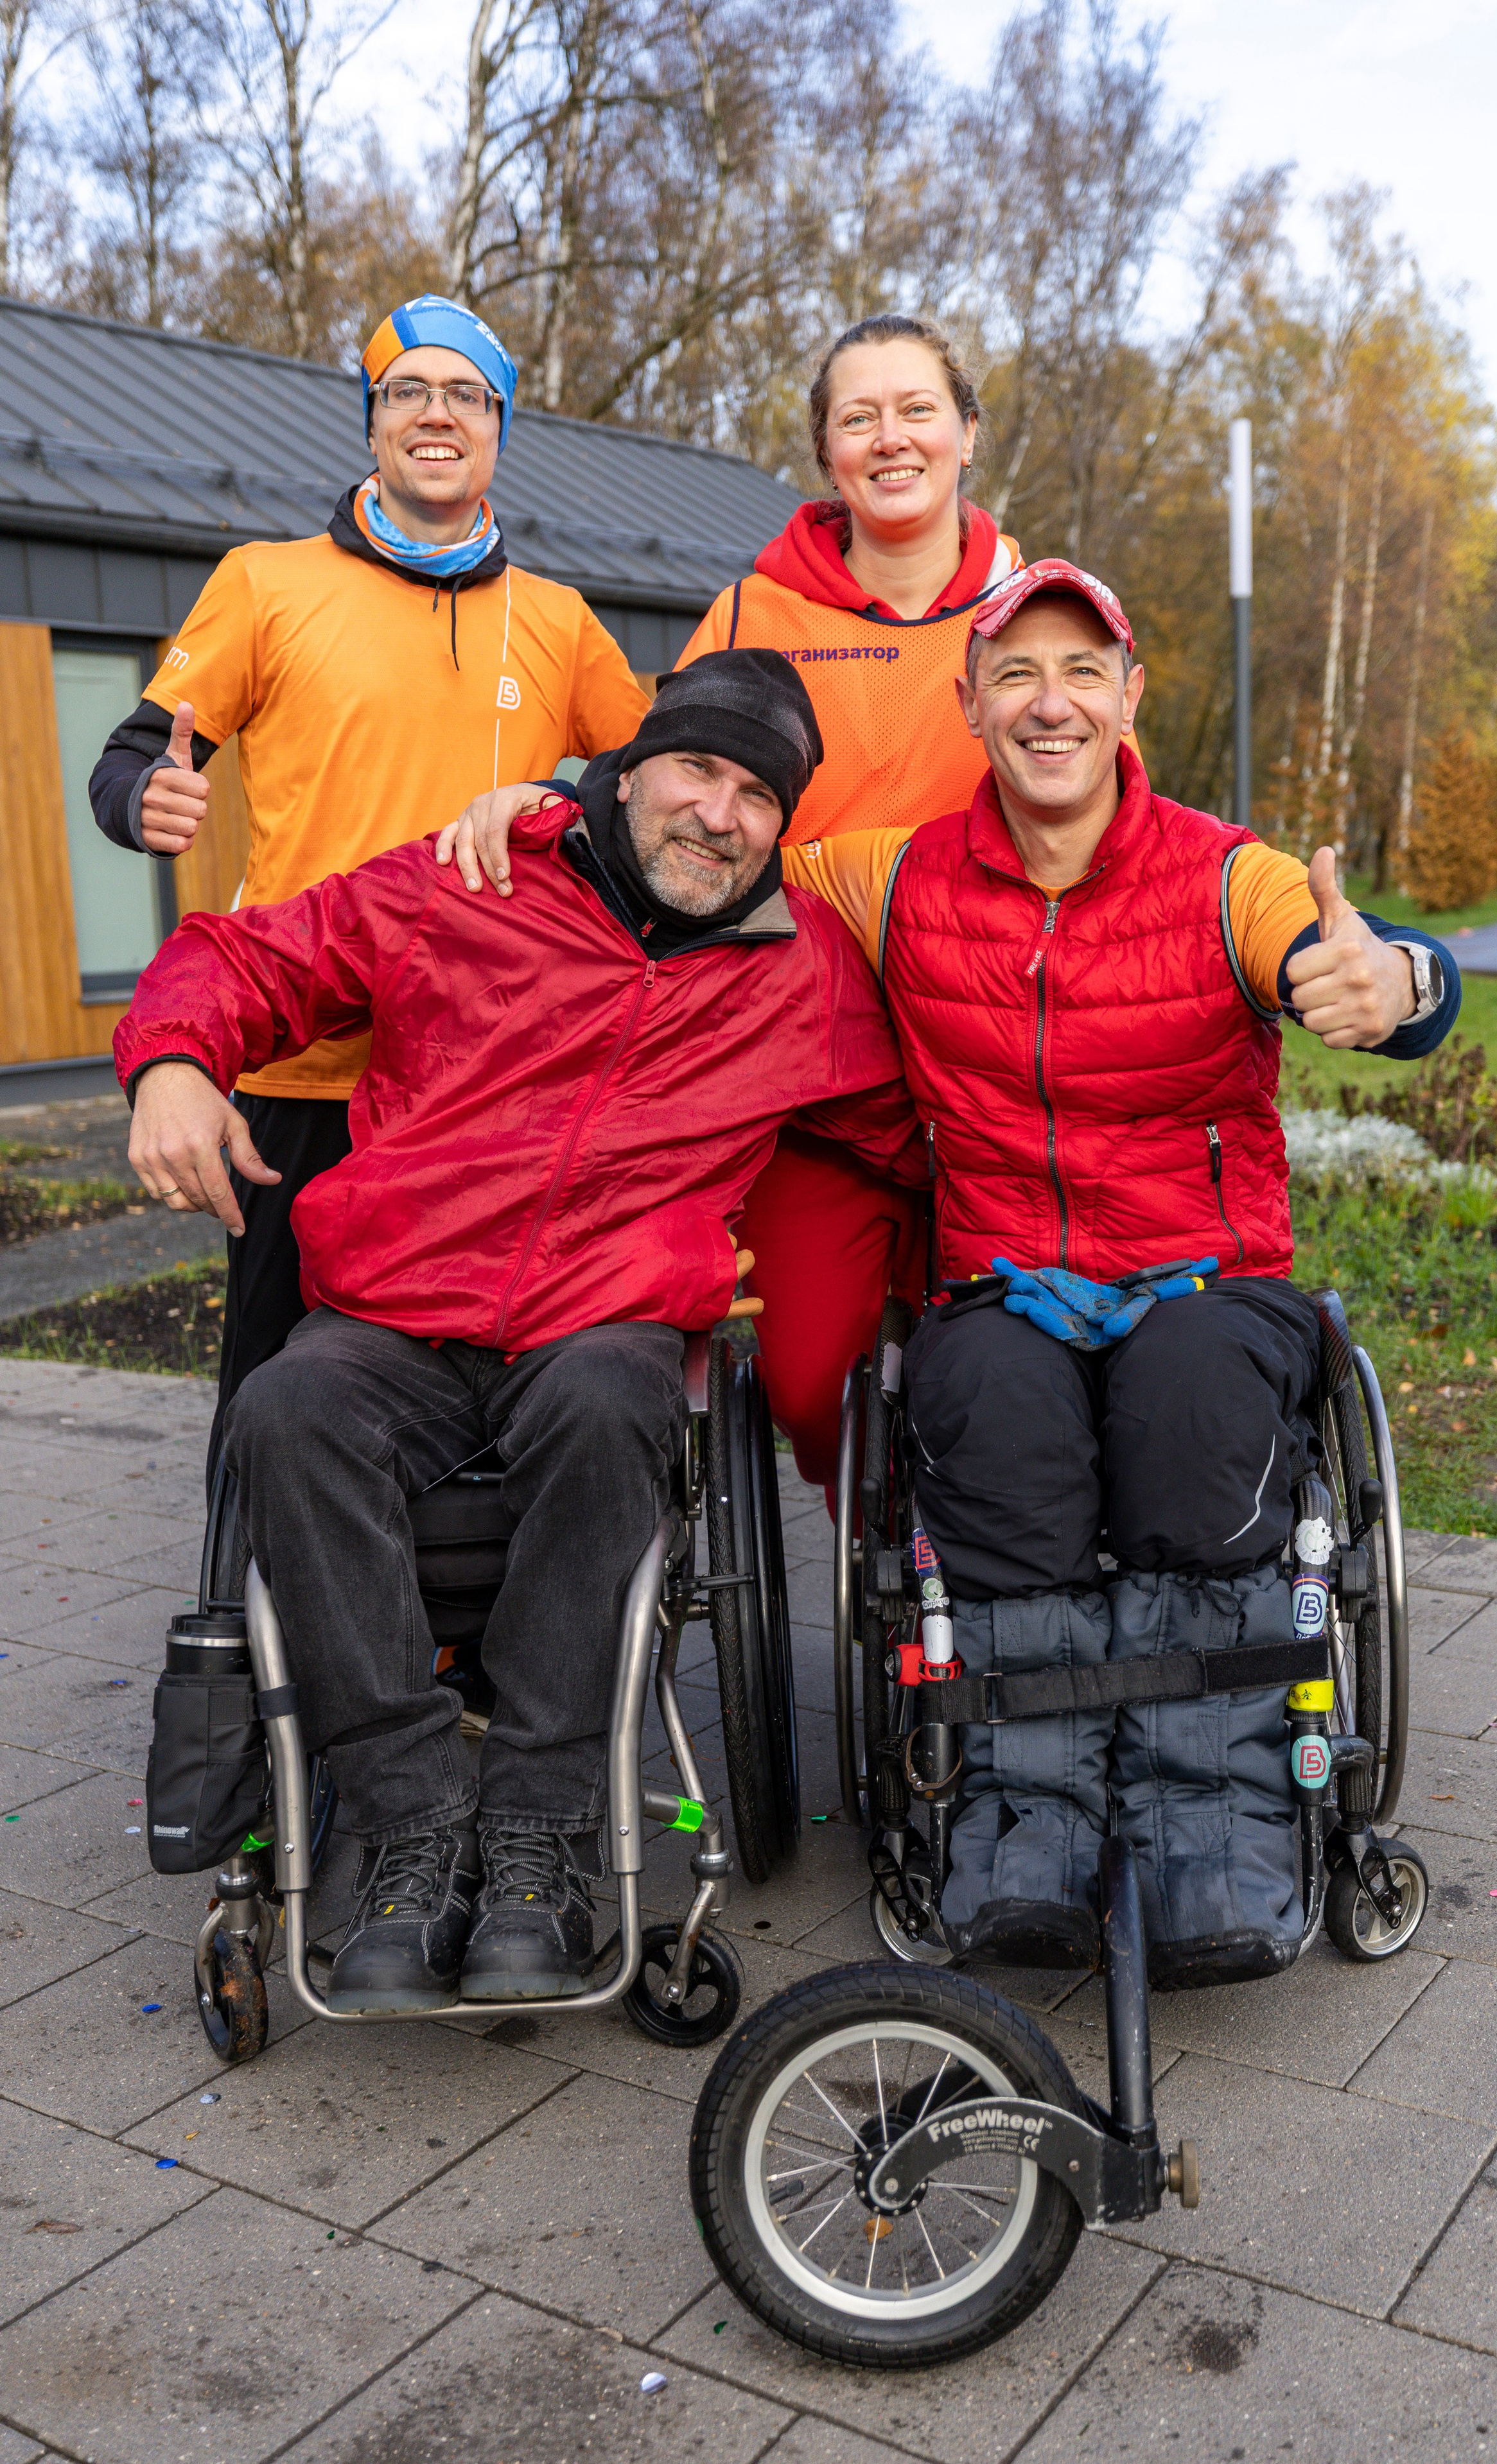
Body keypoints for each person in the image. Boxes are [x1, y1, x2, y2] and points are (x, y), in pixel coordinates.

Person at [489, 560, 1460, 1979]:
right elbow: (706, 842)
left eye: (1080, 672)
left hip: (1204, 1278)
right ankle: (1030, 1833)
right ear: (969, 704)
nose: (1046, 701)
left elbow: (1357, 957)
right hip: (1003, 1281)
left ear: (1128, 699)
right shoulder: (893, 875)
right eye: (1013, 673)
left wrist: (1397, 986)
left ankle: (1218, 1832)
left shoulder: (1225, 874)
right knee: (989, 1415)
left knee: (1186, 1408)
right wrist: (548, 805)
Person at [114, 653, 923, 2013]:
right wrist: (177, 1063)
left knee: (616, 1402)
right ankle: (409, 1816)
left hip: (599, 1326)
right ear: (629, 767)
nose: (717, 813)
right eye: (695, 770)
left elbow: (928, 1125)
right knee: (284, 1410)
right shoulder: (468, 879)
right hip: (397, 1313)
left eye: (754, 795)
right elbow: (246, 956)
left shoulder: (803, 971)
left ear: (782, 827)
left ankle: (542, 1829)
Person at [437, 313, 1022, 1490]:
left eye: (916, 409)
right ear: (827, 454)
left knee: (1005, 1383)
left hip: (996, 1061)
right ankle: (886, 1564)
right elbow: (660, 783)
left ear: (967, 433)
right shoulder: (756, 613)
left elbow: (1119, 825)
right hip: (811, 1063)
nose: (890, 438)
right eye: (858, 417)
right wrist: (546, 796)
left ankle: (966, 1601)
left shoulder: (1036, 611)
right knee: (815, 1393)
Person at [89, 293, 652, 1471]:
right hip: (301, 1067)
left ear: (497, 426)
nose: (436, 415)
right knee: (276, 1384)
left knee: (453, 1388)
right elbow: (134, 751)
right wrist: (144, 799)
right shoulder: (265, 583)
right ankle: (250, 1624)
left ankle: (441, 1638)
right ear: (372, 421)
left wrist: (571, 801)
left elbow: (654, 784)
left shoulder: (555, 618)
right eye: (408, 392)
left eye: (465, 395)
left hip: (481, 1072)